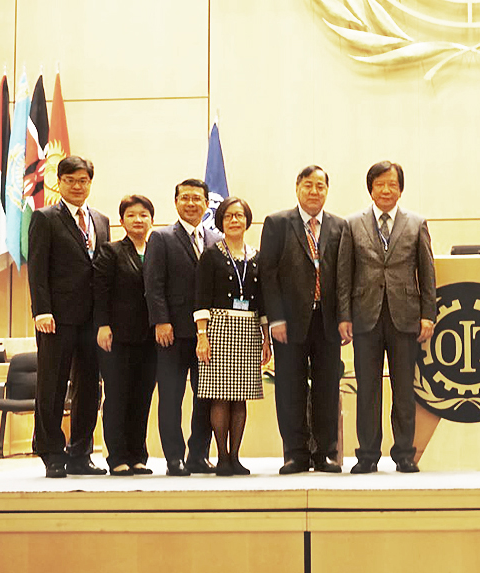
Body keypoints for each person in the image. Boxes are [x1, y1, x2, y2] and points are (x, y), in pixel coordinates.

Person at [337, 161, 436, 474]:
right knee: (367, 390)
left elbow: (427, 272)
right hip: (365, 316)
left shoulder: (416, 223)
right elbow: (344, 274)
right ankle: (367, 454)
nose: (386, 190)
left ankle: (405, 453)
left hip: (405, 317)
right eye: (380, 184)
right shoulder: (352, 224)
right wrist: (344, 315)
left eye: (392, 184)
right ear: (370, 188)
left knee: (404, 390)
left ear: (401, 188)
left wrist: (428, 315)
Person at [259, 165, 347, 474]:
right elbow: (267, 275)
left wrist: (345, 318)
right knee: (289, 388)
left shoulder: (339, 226)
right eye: (308, 185)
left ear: (327, 190)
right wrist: (275, 320)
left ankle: (325, 453)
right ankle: (295, 453)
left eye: (320, 186)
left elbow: (345, 277)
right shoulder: (278, 223)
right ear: (297, 187)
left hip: (328, 320)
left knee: (327, 387)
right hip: (289, 322)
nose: (314, 191)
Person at [27, 155, 110, 478]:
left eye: (83, 180)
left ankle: (80, 452)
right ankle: (51, 452)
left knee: (90, 387)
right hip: (57, 318)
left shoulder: (100, 220)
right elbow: (38, 269)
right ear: (58, 182)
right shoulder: (45, 218)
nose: (77, 186)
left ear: (90, 183)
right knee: (52, 385)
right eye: (71, 180)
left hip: (92, 320)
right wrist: (42, 310)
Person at [145, 179, 221, 476]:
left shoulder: (216, 239)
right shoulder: (161, 237)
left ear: (206, 204)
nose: (191, 203)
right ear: (176, 202)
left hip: (209, 335)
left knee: (206, 398)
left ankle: (198, 455)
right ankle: (174, 458)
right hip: (172, 333)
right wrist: (161, 321)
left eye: (197, 198)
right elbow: (153, 285)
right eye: (185, 198)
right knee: (171, 399)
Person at [194, 196, 272, 476]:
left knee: (240, 397)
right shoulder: (212, 255)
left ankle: (236, 457)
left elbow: (262, 301)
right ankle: (222, 457)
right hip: (218, 329)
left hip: (249, 330)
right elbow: (200, 298)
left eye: (239, 216)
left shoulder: (256, 256)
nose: (234, 221)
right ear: (220, 221)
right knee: (219, 397)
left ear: (247, 220)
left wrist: (266, 338)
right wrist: (202, 336)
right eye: (228, 216)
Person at [93, 195, 158, 476]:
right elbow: (100, 291)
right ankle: (117, 456)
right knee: (117, 397)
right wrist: (103, 325)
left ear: (151, 220)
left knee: (142, 398)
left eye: (143, 215)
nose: (138, 220)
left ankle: (138, 455)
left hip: (151, 339)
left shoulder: (158, 250)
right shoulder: (111, 251)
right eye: (131, 215)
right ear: (122, 221)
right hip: (117, 337)